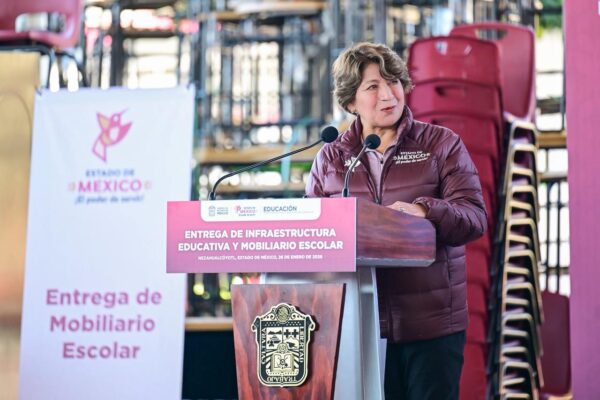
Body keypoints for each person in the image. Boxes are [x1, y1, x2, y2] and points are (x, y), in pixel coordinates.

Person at [306, 42, 487, 399]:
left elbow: (474, 218)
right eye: (373, 86)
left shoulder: (441, 144)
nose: (388, 95)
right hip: (359, 328)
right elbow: (313, 237)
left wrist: (426, 212)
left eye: (394, 82)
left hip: (431, 326)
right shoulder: (330, 159)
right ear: (350, 102)